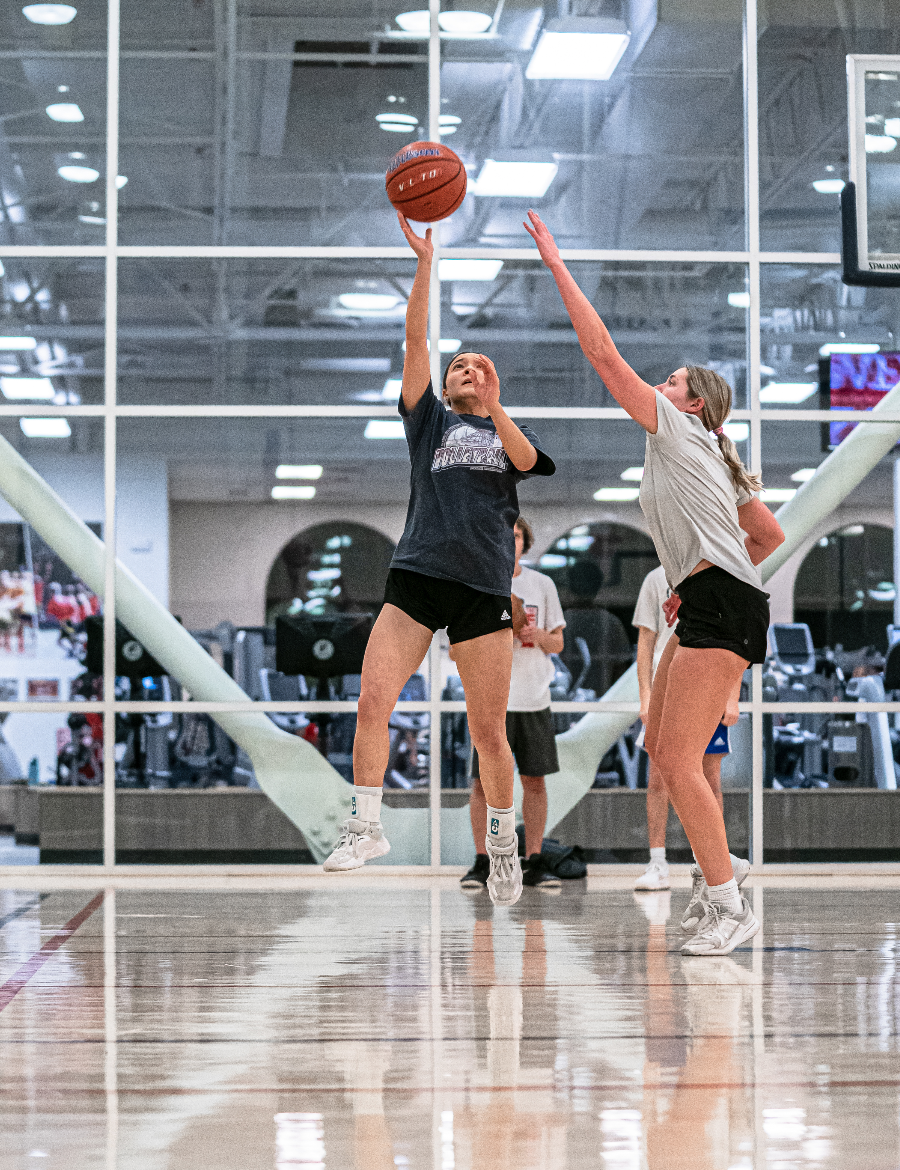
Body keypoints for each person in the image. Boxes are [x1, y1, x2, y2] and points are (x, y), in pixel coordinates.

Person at [525, 209, 785, 956]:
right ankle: (720, 868)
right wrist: (703, 569)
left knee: (675, 762)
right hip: (709, 598)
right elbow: (766, 537)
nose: (658, 387)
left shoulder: (675, 430)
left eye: (670, 382)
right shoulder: (709, 452)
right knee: (662, 752)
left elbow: (602, 355)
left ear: (692, 402)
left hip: (721, 605)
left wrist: (554, 261)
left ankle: (732, 901)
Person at [323, 213, 555, 907]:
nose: (466, 368)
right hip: (417, 574)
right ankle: (366, 825)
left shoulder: (504, 434)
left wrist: (497, 405)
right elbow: (415, 336)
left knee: (489, 732)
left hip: (483, 587)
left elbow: (530, 463)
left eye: (478, 366)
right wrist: (426, 261)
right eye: (460, 365)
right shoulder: (429, 421)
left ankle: (505, 843)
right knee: (372, 699)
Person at [459, 515, 566, 892]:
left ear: (526, 541)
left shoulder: (542, 585)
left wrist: (536, 635)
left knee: (533, 781)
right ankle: (482, 860)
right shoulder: (478, 583)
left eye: (517, 535)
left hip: (534, 699)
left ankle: (534, 859)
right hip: (492, 700)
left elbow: (558, 644)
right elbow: (461, 649)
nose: (511, 541)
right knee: (482, 785)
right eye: (504, 535)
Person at [632, 564, 740, 897]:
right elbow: (646, 642)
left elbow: (736, 640)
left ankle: (710, 864)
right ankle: (658, 862)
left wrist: (732, 696)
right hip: (668, 685)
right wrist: (646, 695)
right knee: (658, 777)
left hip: (707, 684)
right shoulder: (654, 578)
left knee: (710, 779)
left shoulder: (719, 575)